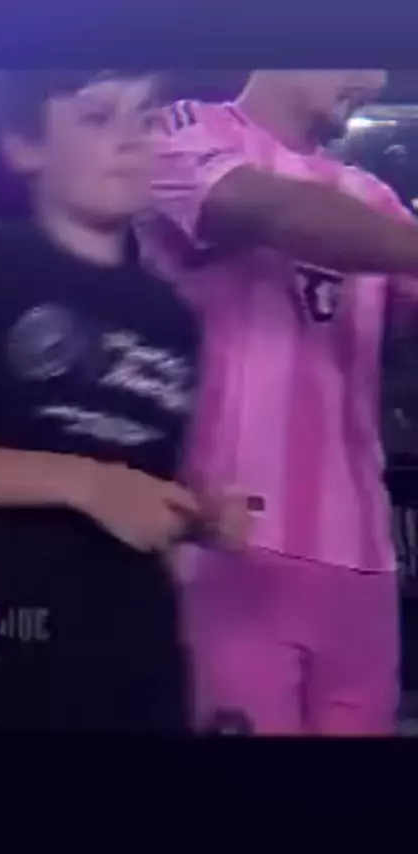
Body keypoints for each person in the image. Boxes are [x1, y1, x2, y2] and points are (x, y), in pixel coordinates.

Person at [139, 71, 418, 735]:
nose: (373, 79)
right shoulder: (185, 129)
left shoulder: (376, 200)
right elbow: (269, 210)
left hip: (365, 565)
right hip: (226, 542)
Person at [0, 70, 206, 731]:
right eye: (96, 116)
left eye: (146, 116)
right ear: (23, 144)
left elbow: (138, 485)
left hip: (134, 662)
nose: (131, 138)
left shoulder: (173, 316)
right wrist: (83, 483)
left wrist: (194, 516)